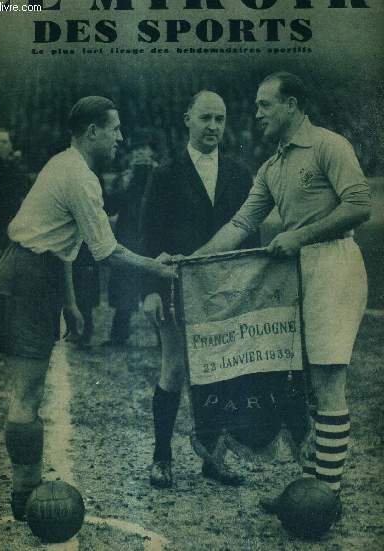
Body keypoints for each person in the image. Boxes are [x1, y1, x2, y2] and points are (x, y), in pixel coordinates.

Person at [0, 96, 174, 520]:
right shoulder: (78, 176)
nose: (120, 137)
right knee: (27, 393)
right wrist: (154, 266)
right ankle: (24, 497)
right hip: (26, 276)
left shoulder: (66, 165)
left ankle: (26, 490)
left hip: (37, 271)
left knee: (28, 391)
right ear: (94, 131)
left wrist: (70, 301)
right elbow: (106, 251)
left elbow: (62, 244)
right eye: (115, 128)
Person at [192, 73, 370, 514]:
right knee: (310, 385)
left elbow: (359, 204)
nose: (257, 114)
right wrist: (188, 262)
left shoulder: (329, 144)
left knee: (329, 384)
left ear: (291, 104)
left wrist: (300, 236)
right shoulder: (273, 166)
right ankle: (308, 491)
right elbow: (238, 225)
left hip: (334, 263)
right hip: (297, 273)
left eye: (264, 105)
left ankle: (325, 497)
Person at [141, 90, 260, 489]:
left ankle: (213, 458)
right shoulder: (165, 173)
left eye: (220, 119)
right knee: (173, 367)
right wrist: (151, 290)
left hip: (225, 289)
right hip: (176, 288)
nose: (213, 127)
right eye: (205, 118)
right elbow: (147, 236)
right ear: (188, 119)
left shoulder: (241, 173)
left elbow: (251, 235)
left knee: (222, 371)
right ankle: (161, 459)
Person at [105, 130, 158, 346]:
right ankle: (119, 336)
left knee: (155, 289)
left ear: (152, 153)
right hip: (128, 240)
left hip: (153, 240)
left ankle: (164, 339)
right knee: (124, 292)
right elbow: (111, 208)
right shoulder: (125, 178)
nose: (140, 153)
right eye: (136, 149)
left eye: (144, 149)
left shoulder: (161, 175)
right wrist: (121, 187)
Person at [0, 129, 31, 340]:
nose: (1, 145)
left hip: (11, 233)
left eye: (5, 142)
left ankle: (7, 330)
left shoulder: (18, 172)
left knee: (9, 280)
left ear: (11, 146)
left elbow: (28, 200)